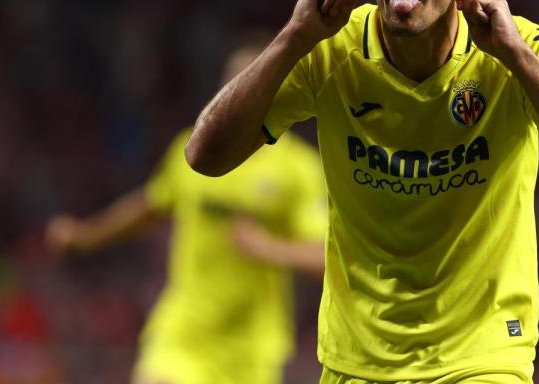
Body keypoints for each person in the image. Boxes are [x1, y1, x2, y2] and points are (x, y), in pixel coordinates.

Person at [185, 0, 539, 383]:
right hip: (357, 358)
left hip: (482, 357)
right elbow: (205, 156)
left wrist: (517, 57)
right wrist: (293, 37)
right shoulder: (329, 49)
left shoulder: (519, 46)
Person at [46, 42, 328, 384]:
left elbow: (325, 256)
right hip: (184, 331)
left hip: (250, 349)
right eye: (238, 82)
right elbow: (151, 206)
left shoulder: (298, 169)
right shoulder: (196, 149)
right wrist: (86, 237)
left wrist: (267, 247)